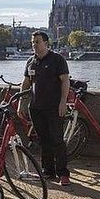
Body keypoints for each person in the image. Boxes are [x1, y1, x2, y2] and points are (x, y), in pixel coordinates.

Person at [19, 31, 71, 186]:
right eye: (33, 42)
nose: (34, 45)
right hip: (36, 108)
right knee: (43, 140)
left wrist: (63, 102)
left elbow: (65, 81)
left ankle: (63, 173)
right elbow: (26, 83)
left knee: (57, 140)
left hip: (54, 107)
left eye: (37, 42)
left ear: (46, 43)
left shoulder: (57, 59)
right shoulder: (31, 61)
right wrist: (21, 102)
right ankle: (48, 170)